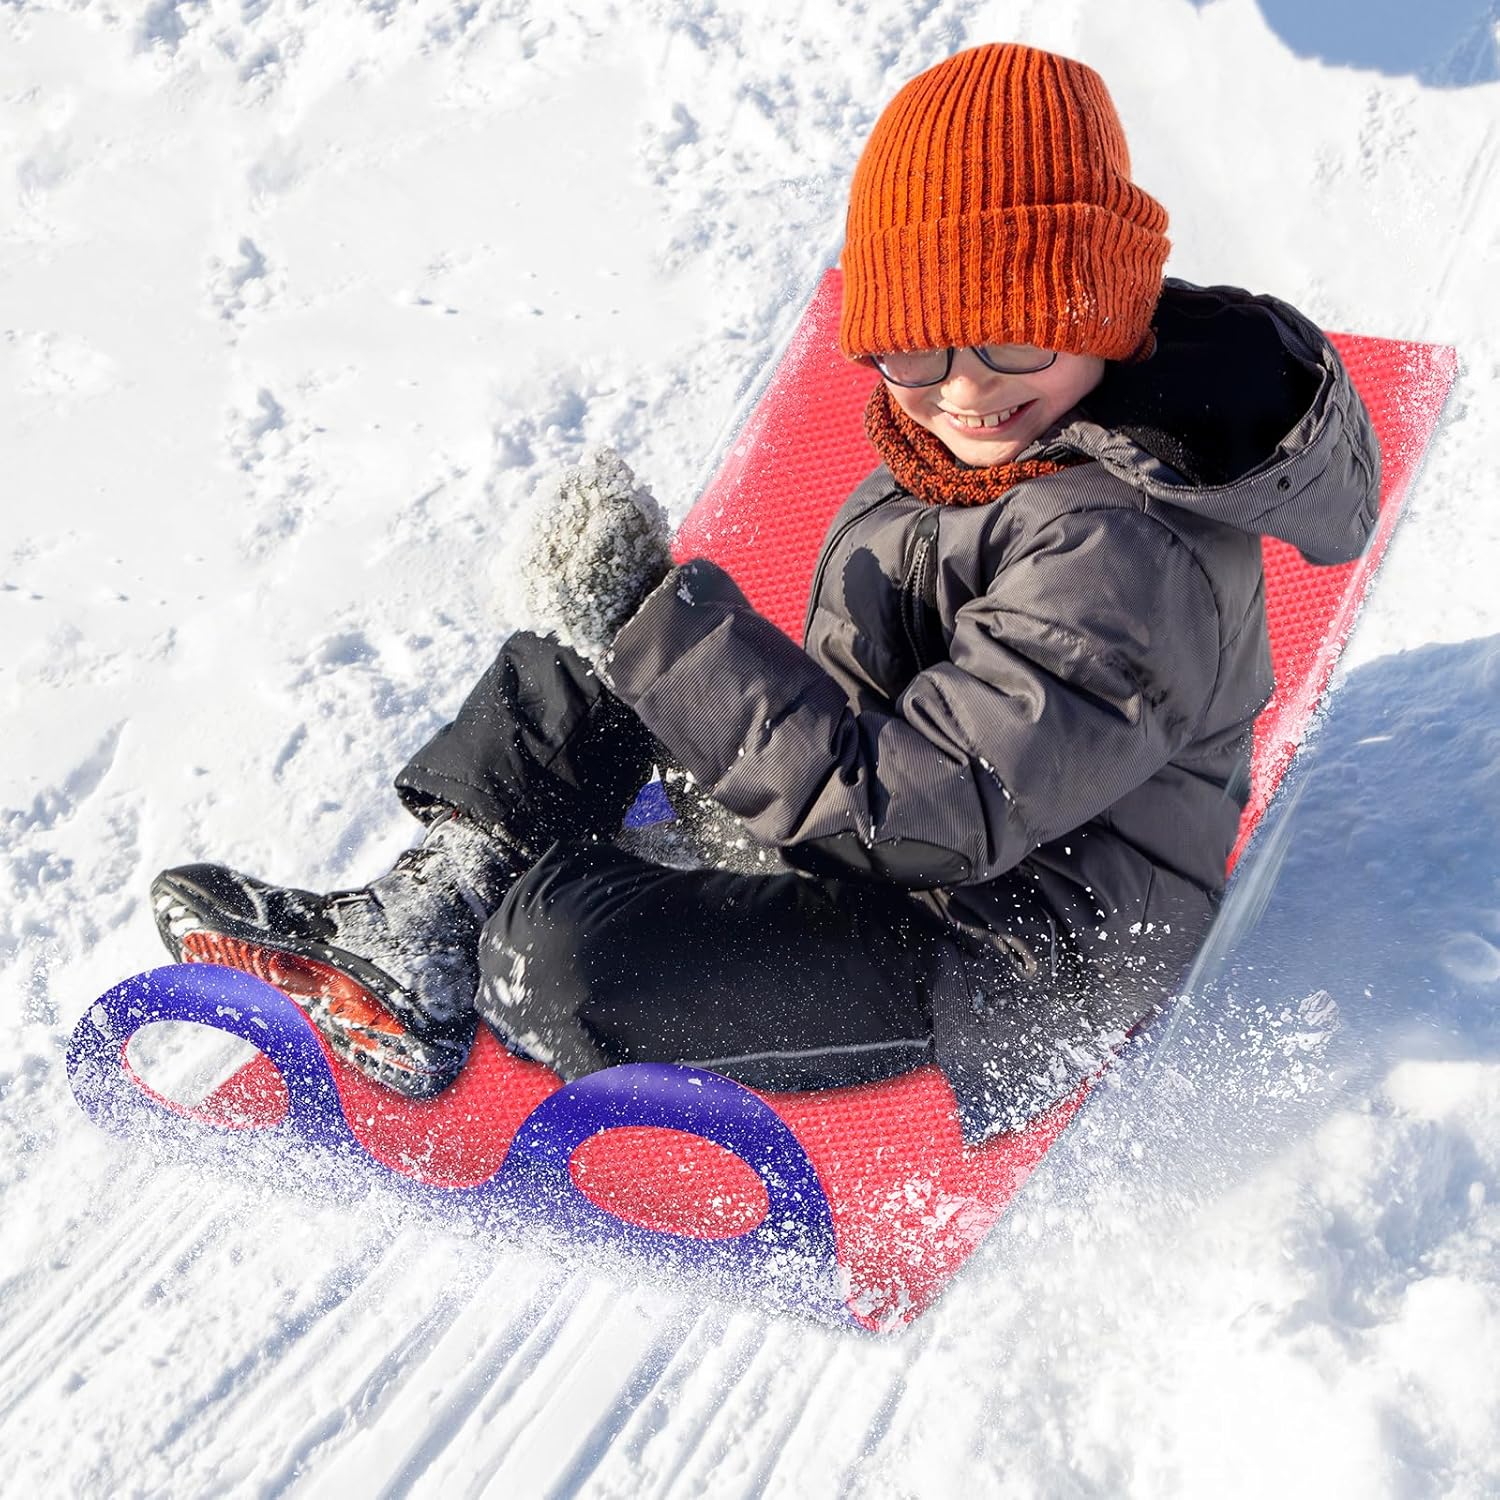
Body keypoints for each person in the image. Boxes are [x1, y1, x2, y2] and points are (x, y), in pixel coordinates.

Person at [150, 42, 1380, 1144]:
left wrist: (680, 652)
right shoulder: (988, 444)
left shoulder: (1126, 552)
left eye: (1015, 337)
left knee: (560, 952)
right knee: (598, 652)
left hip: (1009, 951)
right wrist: (642, 631)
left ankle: (482, 943)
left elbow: (929, 813)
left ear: (1102, 312)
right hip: (878, 841)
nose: (965, 388)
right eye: (918, 345)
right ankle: (424, 922)